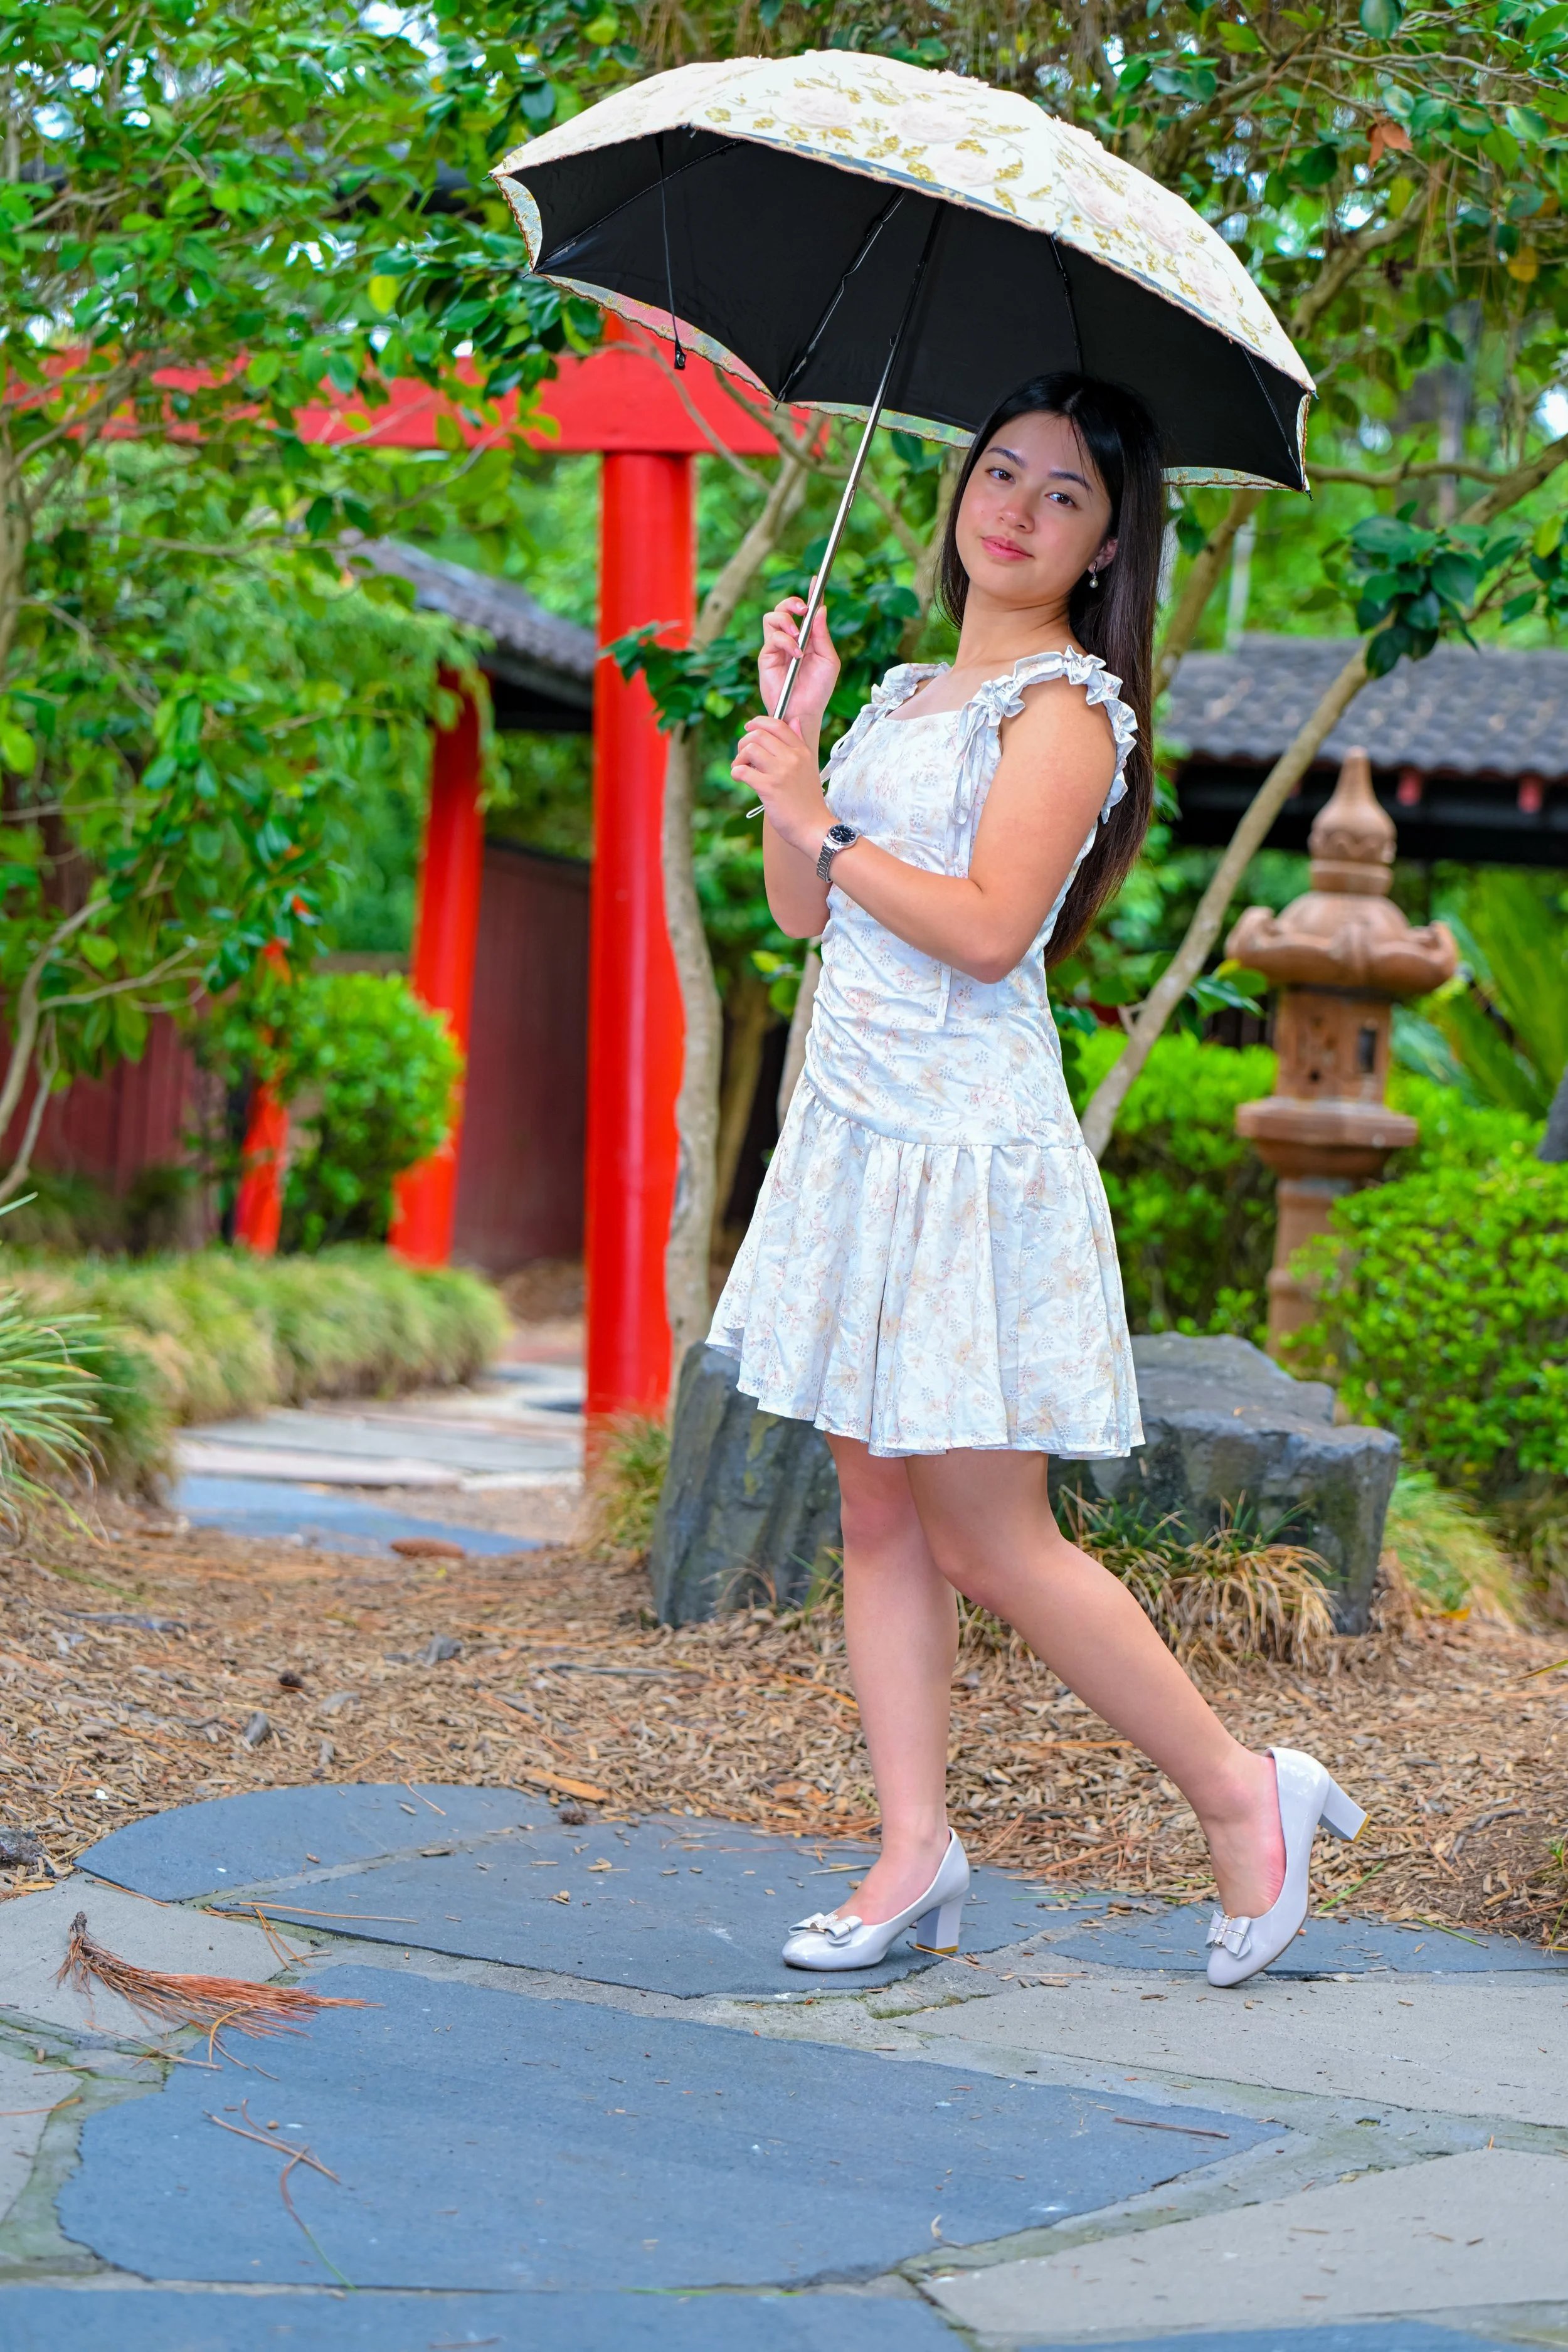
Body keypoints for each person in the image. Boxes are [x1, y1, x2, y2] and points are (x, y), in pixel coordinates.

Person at [713, 372, 1364, 1992]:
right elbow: (808, 916)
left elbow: (994, 924)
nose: (1007, 506)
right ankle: (913, 1848)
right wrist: (798, 745)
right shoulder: (905, 691)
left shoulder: (1069, 710)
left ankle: (1242, 1794)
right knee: (873, 1506)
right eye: (994, 470)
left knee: (992, 1534)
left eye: (1058, 493)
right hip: (856, 1134)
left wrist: (828, 829)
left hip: (962, 1153)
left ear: (1101, 542)